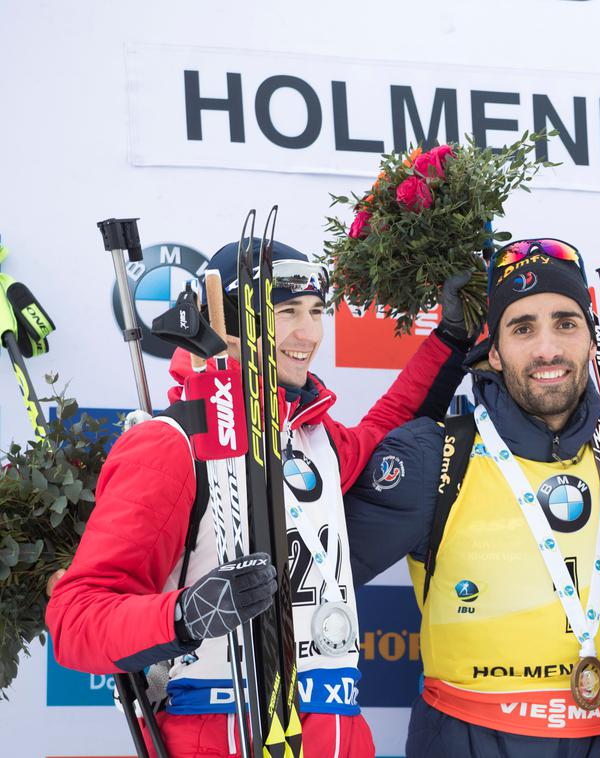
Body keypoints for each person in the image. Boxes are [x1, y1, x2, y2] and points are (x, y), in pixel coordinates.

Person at [46, 239, 474, 758]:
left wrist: (449, 339)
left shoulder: (311, 438)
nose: (308, 333)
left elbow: (386, 429)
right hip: (223, 735)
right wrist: (182, 617)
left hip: (338, 735)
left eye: (317, 312)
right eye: (286, 312)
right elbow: (73, 619)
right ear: (226, 322)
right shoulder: (171, 444)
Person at [343, 239, 600, 758]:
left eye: (566, 323)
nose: (548, 349)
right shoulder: (433, 455)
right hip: (466, 737)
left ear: (592, 338)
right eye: (523, 327)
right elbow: (306, 580)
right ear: (494, 347)